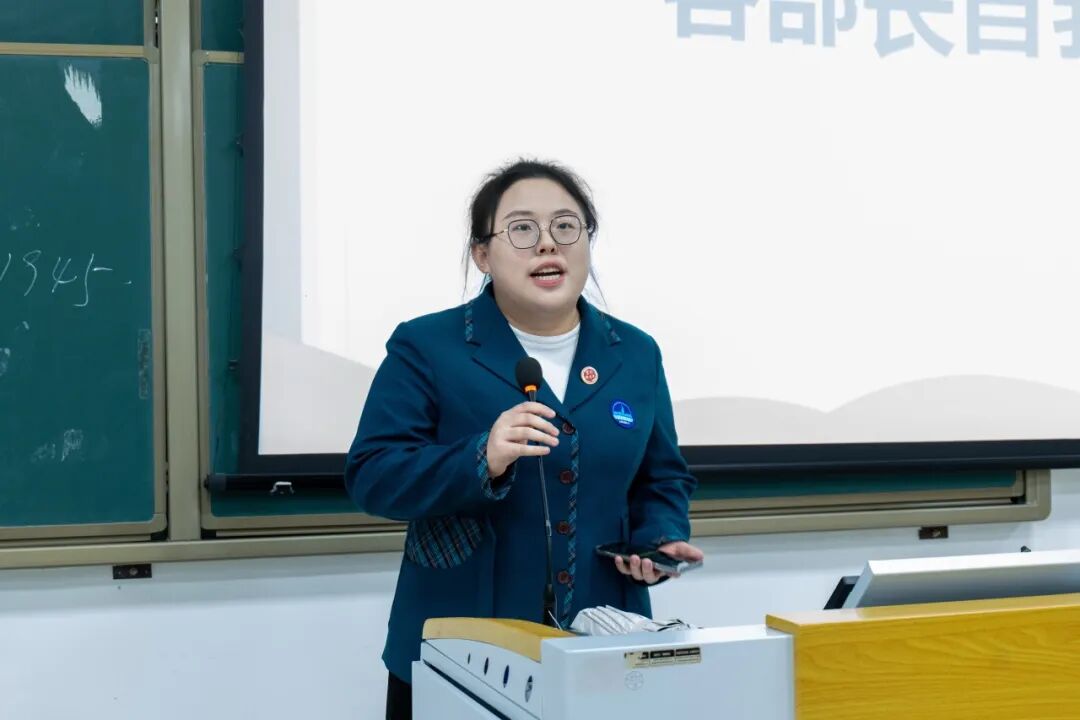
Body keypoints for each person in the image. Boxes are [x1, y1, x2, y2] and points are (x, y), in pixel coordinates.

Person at [344, 159, 703, 720]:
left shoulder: (635, 353)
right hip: (460, 648)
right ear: (482, 255)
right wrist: (481, 457)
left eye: (565, 226)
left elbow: (662, 477)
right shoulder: (427, 346)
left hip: (604, 647)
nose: (547, 244)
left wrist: (657, 540)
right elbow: (373, 475)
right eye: (522, 229)